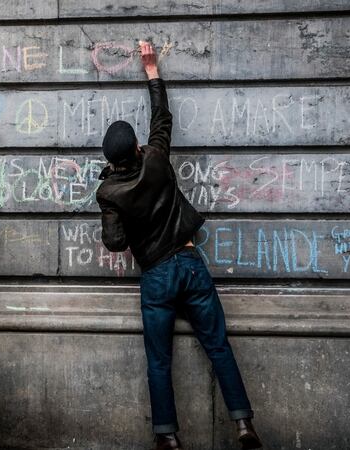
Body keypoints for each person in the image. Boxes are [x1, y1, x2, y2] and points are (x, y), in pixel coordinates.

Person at [95, 41, 263, 450]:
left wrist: (112, 200)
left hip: (155, 277)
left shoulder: (111, 192)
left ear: (111, 159)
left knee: (159, 360)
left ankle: (167, 436)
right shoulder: (155, 158)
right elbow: (161, 119)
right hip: (189, 263)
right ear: (135, 148)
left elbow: (114, 242)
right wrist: (152, 70)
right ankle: (243, 424)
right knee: (218, 345)